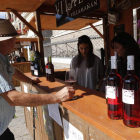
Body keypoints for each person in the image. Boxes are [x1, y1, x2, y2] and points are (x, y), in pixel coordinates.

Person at [0, 19, 75, 139]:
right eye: (14, 38)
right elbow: (12, 98)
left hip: (3, 127)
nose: (15, 41)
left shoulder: (2, 58)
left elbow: (13, 71)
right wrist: (56, 97)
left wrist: (30, 81)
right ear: (8, 40)